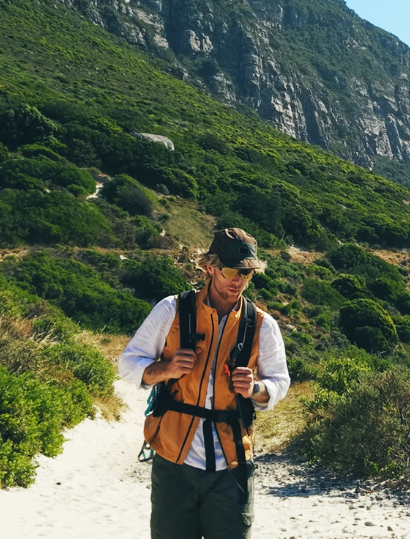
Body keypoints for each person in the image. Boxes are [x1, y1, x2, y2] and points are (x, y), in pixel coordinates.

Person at [119, 228, 291, 539]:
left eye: (246, 274)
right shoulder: (172, 309)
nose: (237, 281)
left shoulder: (263, 325)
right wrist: (166, 369)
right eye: (229, 271)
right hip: (173, 460)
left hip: (233, 464)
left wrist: (255, 389)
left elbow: (279, 382)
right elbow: (129, 363)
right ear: (209, 267)